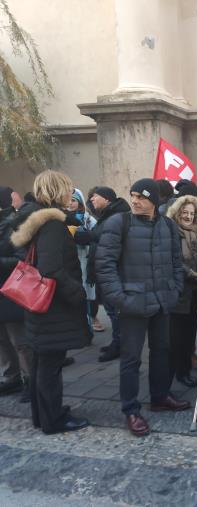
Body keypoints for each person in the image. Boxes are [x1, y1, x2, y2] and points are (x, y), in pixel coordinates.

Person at [96, 178, 190, 437]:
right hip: (132, 304)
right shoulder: (119, 223)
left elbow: (175, 260)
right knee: (131, 358)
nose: (135, 200)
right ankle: (131, 409)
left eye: (141, 196)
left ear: (154, 200)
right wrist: (120, 298)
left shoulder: (168, 225)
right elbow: (104, 265)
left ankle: (160, 397)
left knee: (162, 351)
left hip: (162, 301)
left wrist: (174, 289)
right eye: (133, 195)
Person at [10, 170, 90, 434]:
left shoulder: (35, 219)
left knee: (42, 363)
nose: (70, 193)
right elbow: (51, 268)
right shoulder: (53, 224)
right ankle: (53, 420)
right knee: (50, 366)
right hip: (52, 307)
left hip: (38, 306)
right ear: (58, 190)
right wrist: (76, 292)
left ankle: (42, 415)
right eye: (67, 188)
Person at [166, 195, 197, 388]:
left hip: (194, 293)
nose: (188, 216)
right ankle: (179, 372)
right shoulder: (170, 231)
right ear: (177, 212)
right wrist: (193, 274)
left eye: (192, 213)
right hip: (177, 291)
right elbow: (173, 260)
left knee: (190, 334)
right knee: (177, 336)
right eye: (185, 212)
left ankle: (185, 368)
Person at [85, 186, 130, 361]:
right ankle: (116, 342)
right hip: (108, 272)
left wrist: (84, 236)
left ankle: (120, 346)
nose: (92, 200)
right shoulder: (108, 213)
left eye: (95, 197)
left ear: (107, 199)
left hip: (114, 274)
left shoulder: (115, 217)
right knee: (112, 312)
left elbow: (98, 236)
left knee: (115, 312)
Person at [0, 189, 33, 402]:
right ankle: (11, 377)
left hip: (11, 291)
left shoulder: (14, 225)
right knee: (2, 340)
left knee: (20, 341)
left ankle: (30, 381)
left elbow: (24, 260)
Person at [68, 189, 98, 333]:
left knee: (86, 295)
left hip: (85, 259)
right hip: (70, 260)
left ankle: (89, 326)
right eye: (68, 200)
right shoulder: (63, 217)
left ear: (79, 202)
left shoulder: (88, 219)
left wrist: (83, 236)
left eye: (73, 200)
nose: (70, 203)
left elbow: (97, 236)